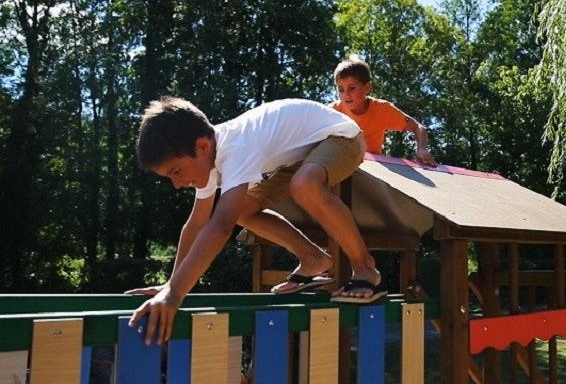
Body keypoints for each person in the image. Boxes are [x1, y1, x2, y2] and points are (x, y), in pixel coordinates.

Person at [127, 97, 386, 346]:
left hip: (342, 137)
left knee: (304, 184)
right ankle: (314, 259)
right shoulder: (209, 159)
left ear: (202, 146)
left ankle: (365, 267)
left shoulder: (236, 148)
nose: (176, 184)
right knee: (243, 210)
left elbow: (221, 226)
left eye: (176, 171)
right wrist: (171, 285)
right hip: (300, 155)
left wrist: (174, 295)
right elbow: (196, 224)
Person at [330, 55, 437, 166]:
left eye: (352, 88)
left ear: (367, 87)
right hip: (340, 160)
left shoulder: (382, 109)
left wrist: (422, 149)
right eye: (341, 89)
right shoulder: (333, 111)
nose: (346, 94)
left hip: (371, 164)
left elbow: (417, 127)